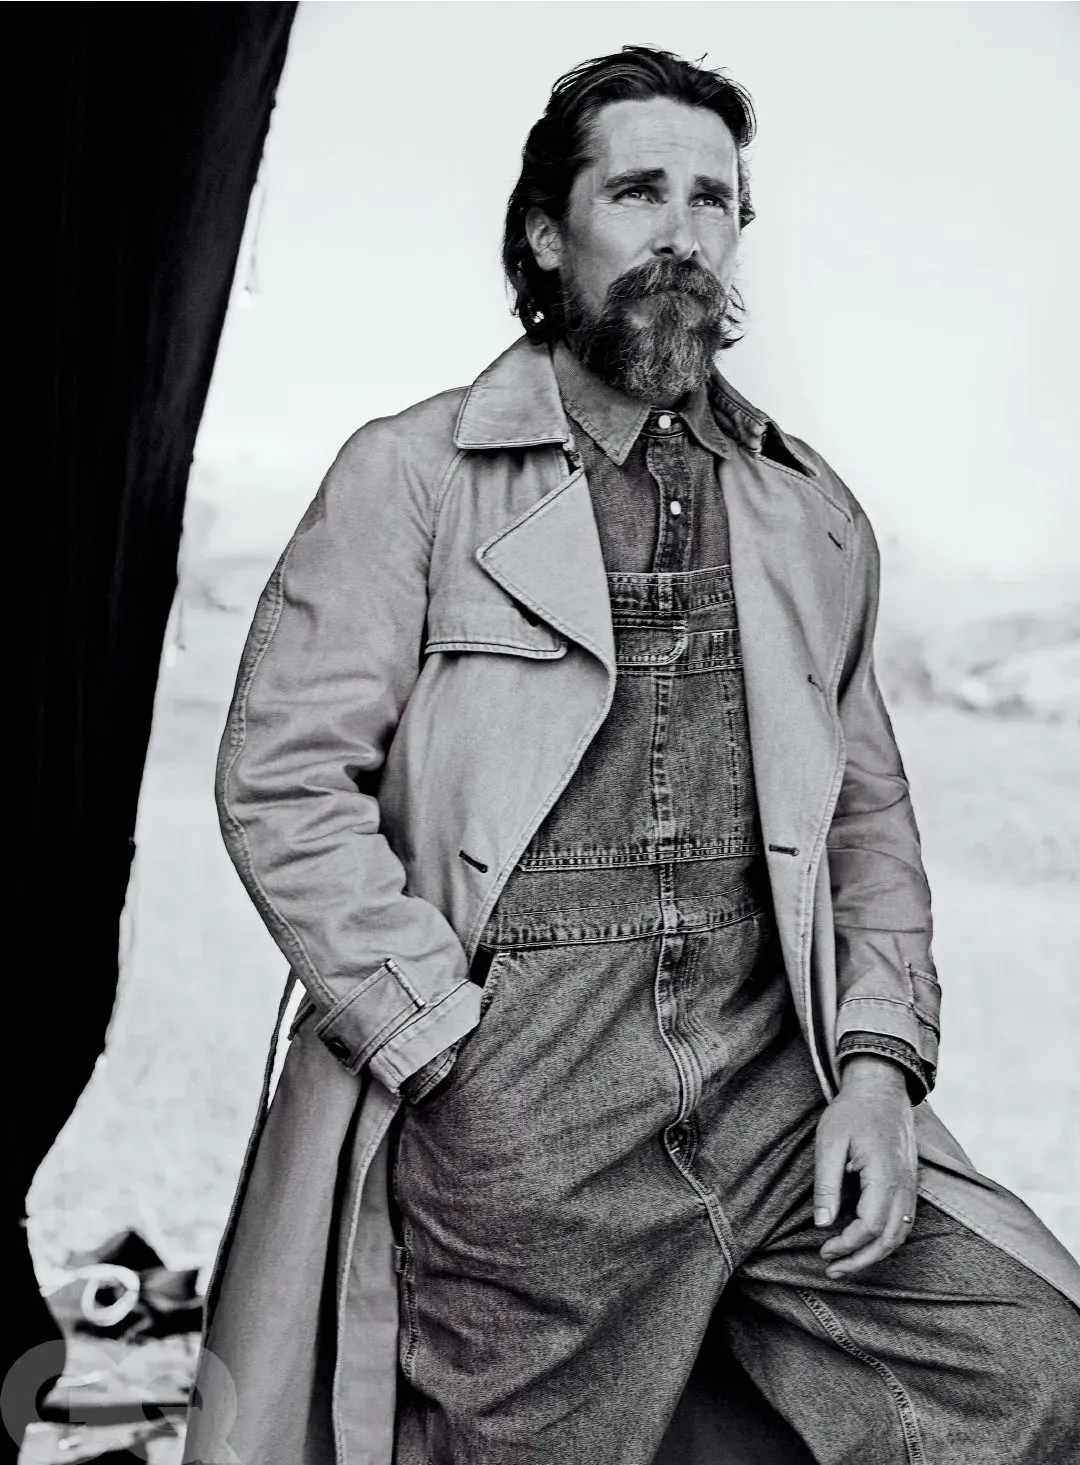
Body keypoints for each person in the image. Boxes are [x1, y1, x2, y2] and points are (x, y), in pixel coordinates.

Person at [184, 46, 1080, 1465]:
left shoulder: (809, 511)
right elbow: (283, 780)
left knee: (1030, 1369)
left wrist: (876, 1068)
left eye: (714, 200)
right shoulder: (412, 474)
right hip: (521, 1100)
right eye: (640, 191)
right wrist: (442, 1046)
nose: (684, 233)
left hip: (777, 1090)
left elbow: (866, 819)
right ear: (549, 234)